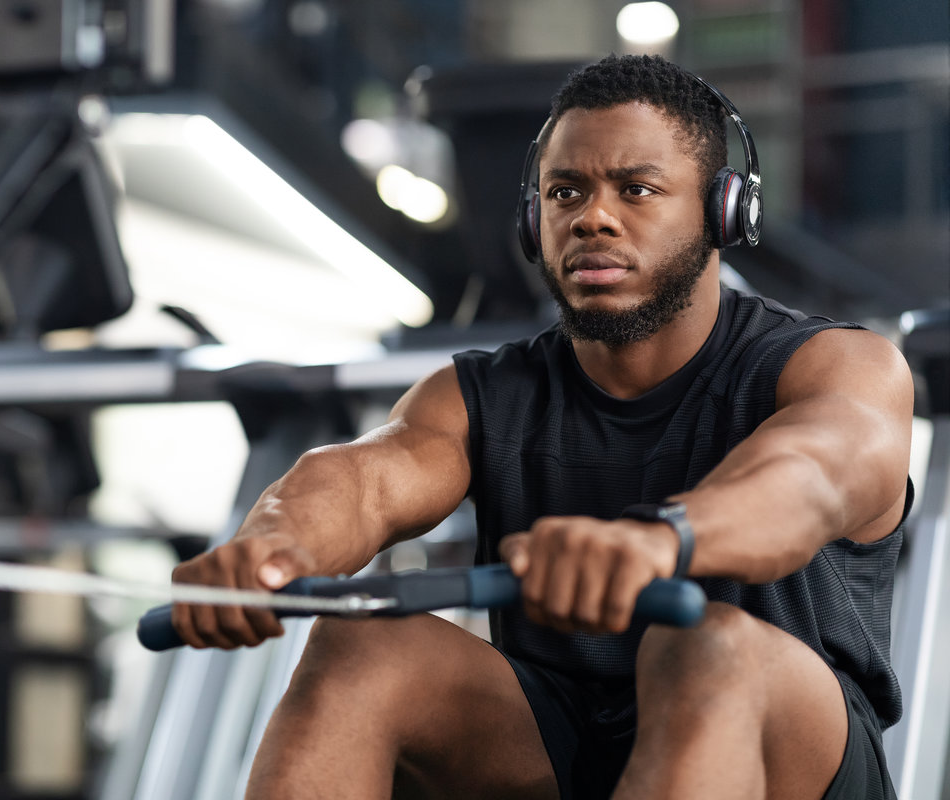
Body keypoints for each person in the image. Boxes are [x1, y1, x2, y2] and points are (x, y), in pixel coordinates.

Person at [169, 54, 914, 800]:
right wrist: (270, 550)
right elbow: (363, 480)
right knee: (360, 645)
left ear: (722, 212)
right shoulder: (483, 395)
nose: (592, 215)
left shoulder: (836, 366)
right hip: (561, 748)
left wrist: (662, 539)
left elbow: (806, 480)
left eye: (637, 189)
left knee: (707, 648)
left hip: (787, 753)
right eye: (566, 191)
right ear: (535, 220)